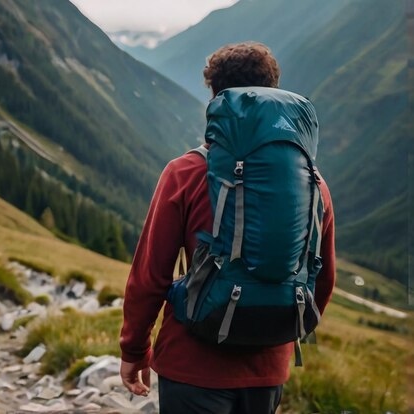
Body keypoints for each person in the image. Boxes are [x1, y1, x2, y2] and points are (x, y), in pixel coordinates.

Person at [119, 42, 336, 414]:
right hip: (267, 370)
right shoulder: (313, 183)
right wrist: (274, 333)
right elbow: (323, 280)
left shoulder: (184, 173)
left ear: (216, 98)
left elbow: (150, 275)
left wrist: (134, 350)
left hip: (191, 366)